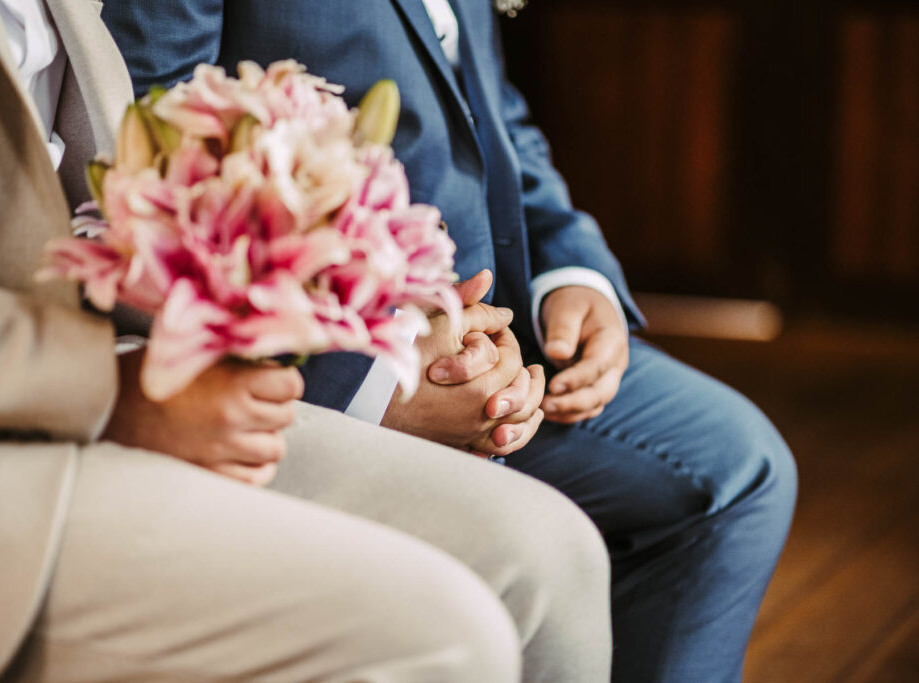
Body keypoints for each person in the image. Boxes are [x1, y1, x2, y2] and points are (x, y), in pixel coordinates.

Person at [0, 1, 613, 681]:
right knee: (448, 635)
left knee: (554, 556)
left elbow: (108, 198)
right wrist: (103, 385)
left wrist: (380, 318)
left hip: (124, 365)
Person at [101, 1, 799, 681]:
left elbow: (492, 111)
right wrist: (376, 383)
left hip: (505, 332)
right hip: (319, 360)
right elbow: (151, 161)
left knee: (740, 469)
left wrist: (573, 273)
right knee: (530, 562)